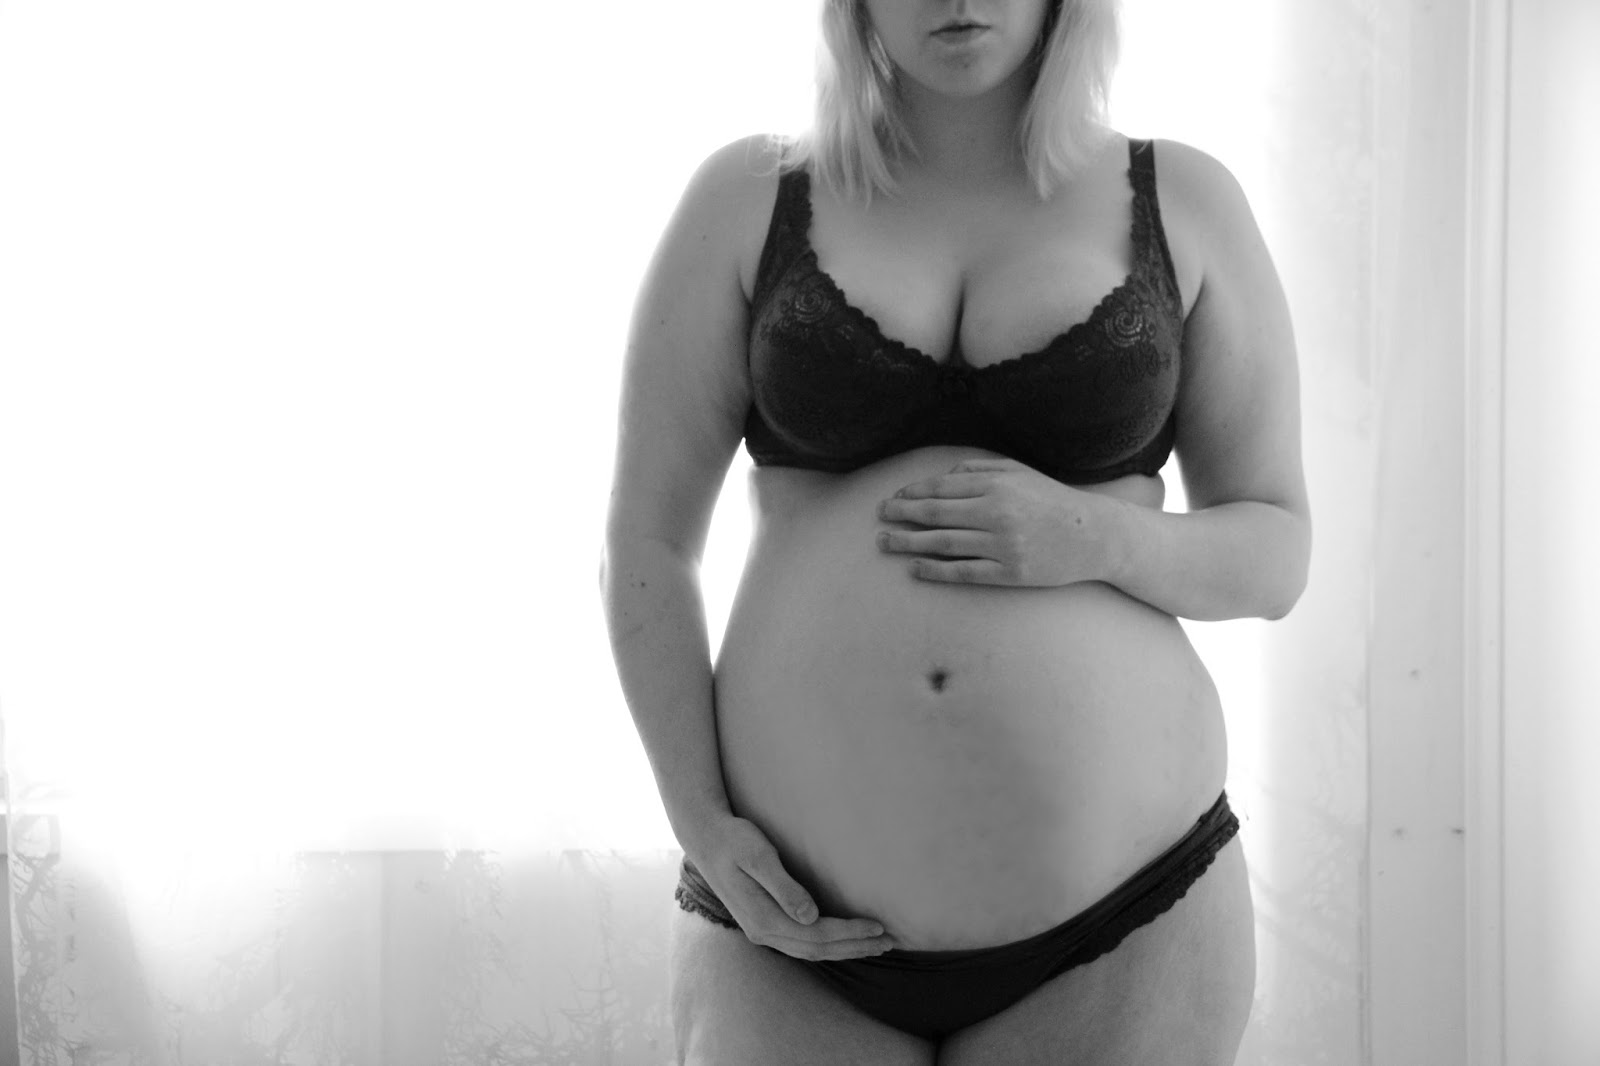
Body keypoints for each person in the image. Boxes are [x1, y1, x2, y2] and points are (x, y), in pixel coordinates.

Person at [600, 0, 1309, 1061]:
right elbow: (647, 544)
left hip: (1127, 920)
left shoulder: (1186, 201)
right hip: (784, 926)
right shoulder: (747, 198)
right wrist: (699, 819)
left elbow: (1275, 550)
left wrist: (1093, 536)